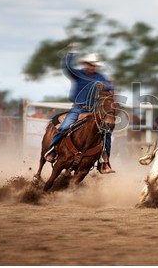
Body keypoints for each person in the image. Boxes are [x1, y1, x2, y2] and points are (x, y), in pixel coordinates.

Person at [44, 44, 116, 174]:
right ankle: (53, 150)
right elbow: (67, 68)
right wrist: (72, 52)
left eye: (93, 65)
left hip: (94, 111)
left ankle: (105, 161)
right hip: (78, 108)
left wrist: (109, 86)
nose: (91, 67)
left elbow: (110, 88)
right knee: (64, 127)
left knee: (106, 133)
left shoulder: (100, 77)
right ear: (86, 64)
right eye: (89, 64)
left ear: (96, 66)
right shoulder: (79, 74)